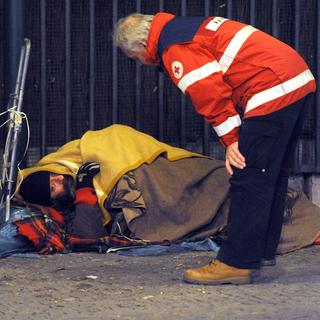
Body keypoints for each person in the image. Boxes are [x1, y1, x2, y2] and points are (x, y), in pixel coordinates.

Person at [113, 13, 317, 285]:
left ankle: (236, 263)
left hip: (271, 87)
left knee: (249, 176)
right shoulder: (187, 27)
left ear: (141, 42)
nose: (138, 62)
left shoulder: (175, 46)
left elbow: (208, 92)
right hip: (294, 78)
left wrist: (232, 140)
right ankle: (260, 252)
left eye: (133, 56)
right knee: (271, 174)